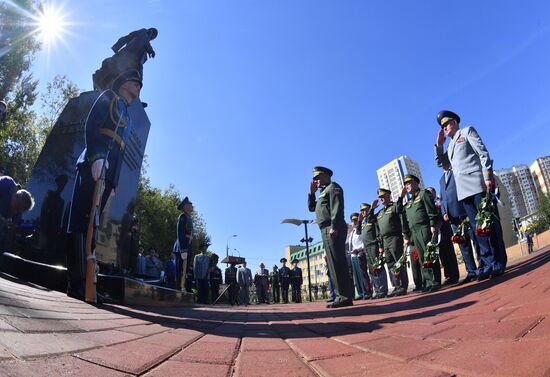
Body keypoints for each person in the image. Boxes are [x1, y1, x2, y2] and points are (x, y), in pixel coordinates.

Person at [67, 69, 142, 300]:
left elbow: (120, 149)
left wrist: (115, 182)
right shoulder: (108, 97)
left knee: (95, 225)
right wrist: (97, 156)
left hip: (109, 173)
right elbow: (93, 125)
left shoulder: (127, 116)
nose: (139, 88)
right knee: (82, 221)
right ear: (123, 83)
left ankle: (90, 282)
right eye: (135, 83)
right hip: (95, 163)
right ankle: (77, 282)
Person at [435, 110, 506, 279]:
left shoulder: (466, 132)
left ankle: (499, 262)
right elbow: (441, 163)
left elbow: (483, 153)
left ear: (455, 122)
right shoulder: (451, 145)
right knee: (477, 230)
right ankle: (487, 264)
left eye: (446, 124)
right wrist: (439, 146)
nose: (445, 128)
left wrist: (487, 176)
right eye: (442, 126)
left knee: (490, 226)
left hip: (477, 186)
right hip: (464, 193)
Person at [308, 166, 354, 308]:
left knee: (337, 262)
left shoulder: (333, 187)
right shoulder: (322, 192)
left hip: (333, 226)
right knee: (333, 264)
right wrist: (311, 193)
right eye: (314, 178)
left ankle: (345, 297)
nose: (315, 180)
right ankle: (340, 295)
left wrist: (334, 226)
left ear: (326, 175)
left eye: (317, 177)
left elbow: (337, 207)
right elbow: (311, 209)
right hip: (325, 228)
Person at [438, 159, 478, 283]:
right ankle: (471, 271)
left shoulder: (456, 171)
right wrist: (444, 212)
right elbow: (443, 198)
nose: (442, 163)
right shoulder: (441, 179)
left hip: (463, 210)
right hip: (452, 217)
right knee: (463, 245)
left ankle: (483, 266)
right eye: (440, 162)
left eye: (443, 160)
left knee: (475, 239)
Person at [402, 175, 441, 292]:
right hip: (414, 232)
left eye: (409, 183)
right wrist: (401, 196)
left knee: (429, 254)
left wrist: (433, 225)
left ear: (415, 183)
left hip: (424, 228)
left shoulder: (423, 194)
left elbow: (431, 210)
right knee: (421, 258)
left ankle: (435, 281)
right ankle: (428, 282)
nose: (406, 186)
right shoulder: (408, 202)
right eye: (405, 184)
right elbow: (400, 212)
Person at [375, 188, 409, 296]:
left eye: (383, 197)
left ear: (388, 197)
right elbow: (372, 220)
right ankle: (396, 286)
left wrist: (401, 197)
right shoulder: (380, 213)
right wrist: (372, 209)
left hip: (394, 238)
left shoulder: (394, 206)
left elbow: (400, 208)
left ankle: (403, 286)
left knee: (398, 262)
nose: (381, 199)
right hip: (385, 240)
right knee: (390, 264)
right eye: (380, 197)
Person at [426, 186, 459, 285]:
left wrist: (439, 223)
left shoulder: (439, 202)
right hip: (436, 234)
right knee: (442, 256)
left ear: (435, 193)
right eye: (427, 193)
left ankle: (454, 275)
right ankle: (448, 276)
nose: (429, 195)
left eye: (431, 192)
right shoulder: (428, 204)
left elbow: (442, 214)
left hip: (445, 231)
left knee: (450, 255)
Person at [357, 202, 388, 299]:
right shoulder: (364, 222)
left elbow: (378, 233)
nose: (362, 212)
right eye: (361, 210)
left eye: (364, 210)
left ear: (369, 209)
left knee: (378, 267)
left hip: (374, 246)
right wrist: (359, 221)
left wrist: (380, 245)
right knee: (372, 270)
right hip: (367, 248)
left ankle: (383, 290)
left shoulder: (373, 219)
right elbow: (358, 232)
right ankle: (378, 290)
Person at [347, 213, 370, 300]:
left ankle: (366, 292)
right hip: (353, 256)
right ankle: (360, 293)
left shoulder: (362, 229)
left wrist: (359, 249)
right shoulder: (352, 232)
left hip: (360, 254)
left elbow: (365, 242)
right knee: (356, 276)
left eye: (355, 220)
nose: (354, 222)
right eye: (352, 220)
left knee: (362, 274)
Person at [176, 197, 193, 291]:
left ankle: (183, 287)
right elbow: (180, 232)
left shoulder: (189, 218)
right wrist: (183, 249)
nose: (192, 206)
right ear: (185, 207)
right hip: (182, 247)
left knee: (185, 270)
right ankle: (178, 289)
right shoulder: (182, 216)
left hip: (187, 246)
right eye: (190, 205)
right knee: (180, 270)